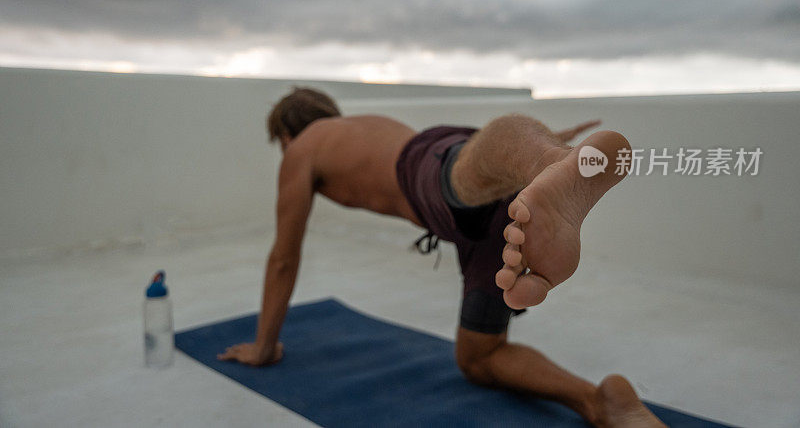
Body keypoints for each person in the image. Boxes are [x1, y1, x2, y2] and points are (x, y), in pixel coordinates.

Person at [218, 87, 664, 427]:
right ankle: (600, 402)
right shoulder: (359, 128)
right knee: (478, 357)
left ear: (284, 134)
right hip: (485, 221)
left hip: (433, 173)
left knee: (466, 174)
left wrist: (263, 346)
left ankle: (550, 162)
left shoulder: (303, 147)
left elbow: (283, 257)